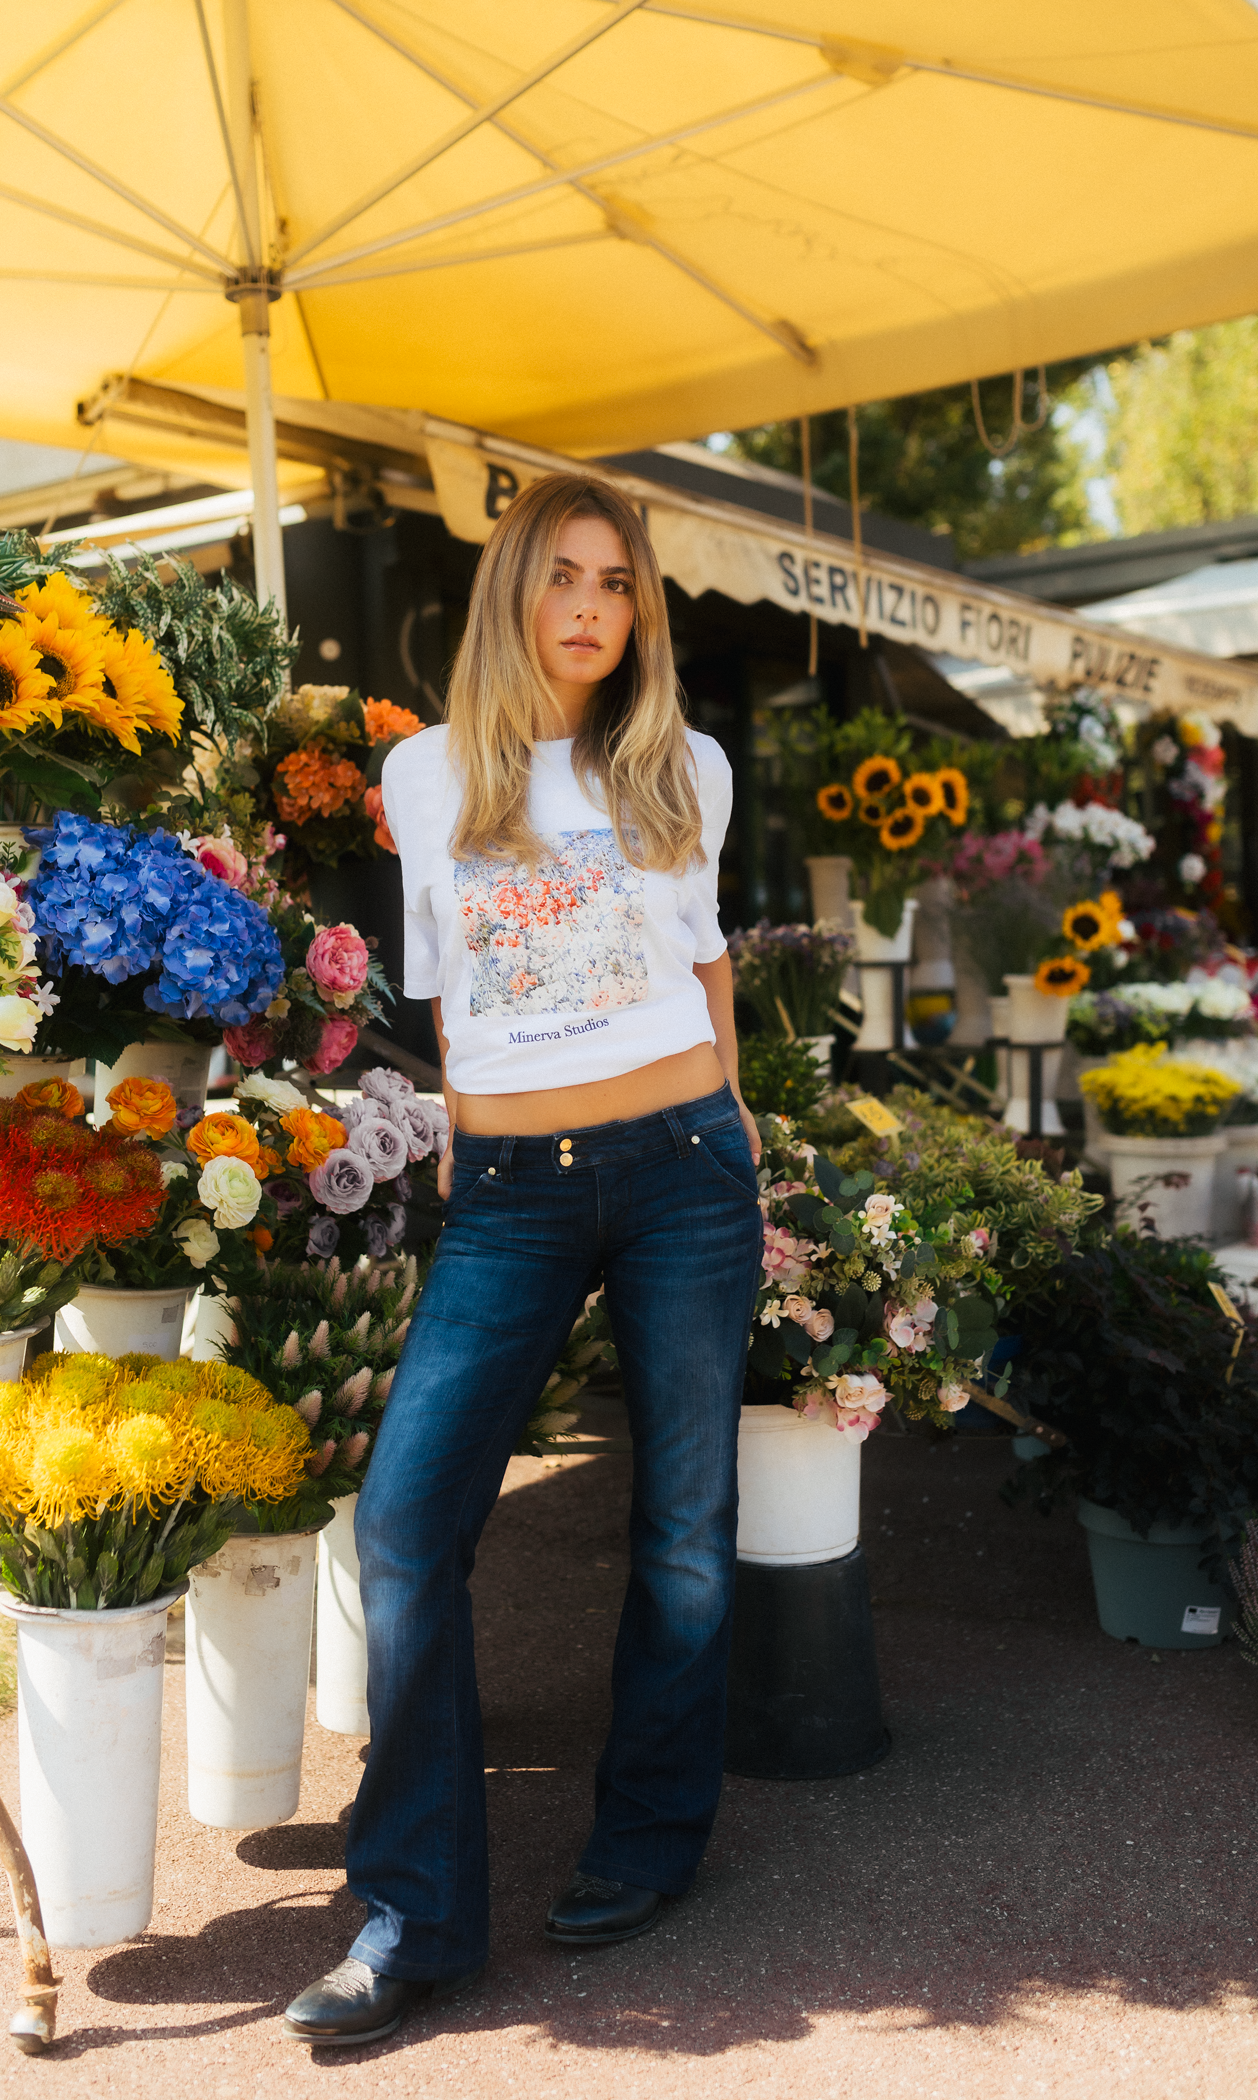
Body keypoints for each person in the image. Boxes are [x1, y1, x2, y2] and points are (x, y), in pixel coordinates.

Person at [282, 472, 763, 2048]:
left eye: (617, 584)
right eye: (563, 576)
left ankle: (649, 1839)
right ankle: (416, 1908)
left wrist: (742, 1142)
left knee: (685, 1526)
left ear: (639, 613)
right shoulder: (425, 777)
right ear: (512, 592)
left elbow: (705, 970)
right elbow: (449, 1004)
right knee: (408, 1516)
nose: (589, 607)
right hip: (511, 1188)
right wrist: (494, 1142)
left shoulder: (682, 764)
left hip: (684, 1165)